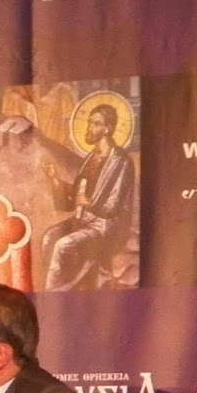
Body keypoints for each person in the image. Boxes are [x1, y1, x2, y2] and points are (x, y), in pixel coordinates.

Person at [39, 102, 134, 291]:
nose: (90, 128)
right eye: (90, 122)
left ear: (107, 129)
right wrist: (54, 179)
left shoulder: (120, 161)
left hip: (105, 226)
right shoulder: (91, 158)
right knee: (49, 237)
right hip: (82, 220)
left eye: (96, 124)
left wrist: (89, 203)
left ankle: (54, 293)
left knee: (63, 245)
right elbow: (75, 197)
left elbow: (114, 205)